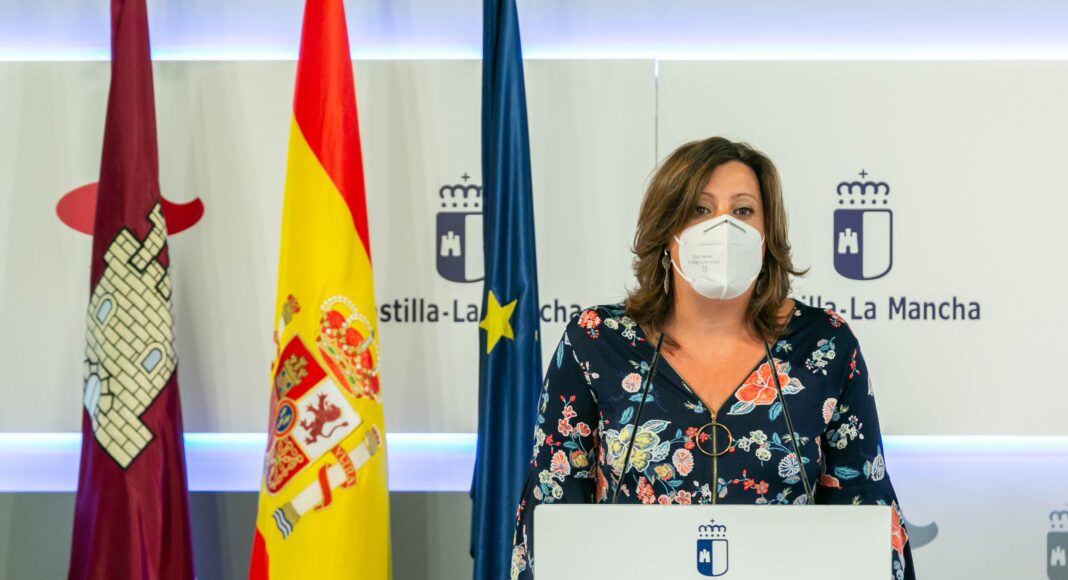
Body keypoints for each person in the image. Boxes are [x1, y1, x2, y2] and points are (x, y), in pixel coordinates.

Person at [509, 137, 914, 579]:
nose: (723, 226)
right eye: (701, 209)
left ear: (766, 236)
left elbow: (866, 502)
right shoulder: (596, 341)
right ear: (667, 232)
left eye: (743, 210)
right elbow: (552, 502)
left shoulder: (825, 344)